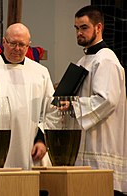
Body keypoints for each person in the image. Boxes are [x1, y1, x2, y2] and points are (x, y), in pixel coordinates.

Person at [0, 23, 54, 169]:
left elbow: (51, 110)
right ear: (4, 42)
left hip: (28, 145)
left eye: (22, 45)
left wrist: (42, 140)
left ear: (29, 45)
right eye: (12, 43)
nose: (17, 49)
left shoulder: (40, 72)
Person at [73, 5, 127, 195]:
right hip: (84, 146)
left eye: (84, 27)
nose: (79, 33)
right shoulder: (82, 61)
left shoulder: (106, 60)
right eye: (77, 28)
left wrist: (72, 106)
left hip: (102, 146)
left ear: (98, 27)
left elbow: (107, 100)